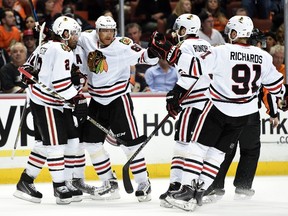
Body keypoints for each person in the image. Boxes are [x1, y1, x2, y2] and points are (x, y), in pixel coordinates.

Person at [148, 15, 286, 212]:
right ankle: (200, 191)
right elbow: (276, 86)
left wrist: (168, 52)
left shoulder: (222, 51)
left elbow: (194, 67)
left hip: (218, 109)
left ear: (234, 33)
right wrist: (283, 97)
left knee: (197, 147)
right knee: (217, 153)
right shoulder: (262, 55)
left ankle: (187, 191)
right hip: (244, 114)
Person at [75, 15, 159, 202]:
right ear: (97, 31)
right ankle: (109, 184)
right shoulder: (87, 38)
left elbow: (146, 57)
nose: (108, 34)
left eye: (111, 31)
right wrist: (48, 32)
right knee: (91, 143)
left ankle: (144, 183)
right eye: (104, 30)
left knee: (131, 145)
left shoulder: (124, 44)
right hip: (97, 101)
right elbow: (70, 38)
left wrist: (153, 51)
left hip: (118, 101)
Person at [13, 16, 87, 205]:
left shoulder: (44, 45)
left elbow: (27, 68)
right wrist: (78, 99)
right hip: (47, 103)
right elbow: (60, 84)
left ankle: (26, 181)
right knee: (55, 145)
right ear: (65, 34)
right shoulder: (62, 49)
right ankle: (59, 185)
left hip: (46, 100)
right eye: (74, 34)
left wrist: (28, 76)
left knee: (67, 141)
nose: (76, 38)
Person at [202, 29, 280, 202]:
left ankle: (215, 186)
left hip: (226, 109)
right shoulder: (260, 59)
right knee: (250, 150)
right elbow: (267, 90)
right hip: (249, 113)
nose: (262, 45)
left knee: (223, 149)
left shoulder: (226, 53)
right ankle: (243, 187)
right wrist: (273, 112)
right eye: (260, 42)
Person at [157, 13, 212, 208]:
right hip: (210, 104)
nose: (175, 33)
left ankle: (176, 187)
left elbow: (190, 74)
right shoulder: (208, 45)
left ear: (183, 30)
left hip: (193, 103)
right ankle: (198, 188)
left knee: (181, 145)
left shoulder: (184, 46)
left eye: (177, 29)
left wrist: (176, 93)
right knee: (199, 148)